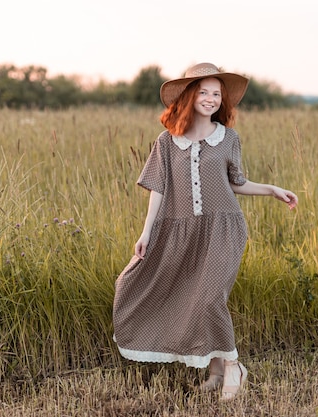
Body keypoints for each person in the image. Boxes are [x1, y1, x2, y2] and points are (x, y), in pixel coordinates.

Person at [112, 62, 298, 400]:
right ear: (189, 95)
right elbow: (158, 187)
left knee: (210, 298)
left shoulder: (228, 138)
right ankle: (214, 371)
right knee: (166, 290)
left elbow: (236, 183)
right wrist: (146, 232)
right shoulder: (167, 142)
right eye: (204, 92)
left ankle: (232, 366)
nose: (211, 98)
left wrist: (272, 189)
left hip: (223, 228)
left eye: (216, 93)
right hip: (179, 231)